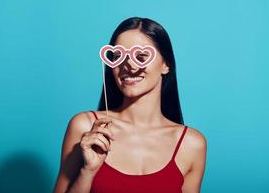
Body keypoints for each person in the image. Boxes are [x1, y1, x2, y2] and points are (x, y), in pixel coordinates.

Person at [53, 17, 207, 193]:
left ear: (166, 65)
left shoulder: (191, 143)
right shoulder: (86, 127)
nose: (129, 65)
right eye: (118, 56)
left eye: (141, 56)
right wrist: (88, 171)